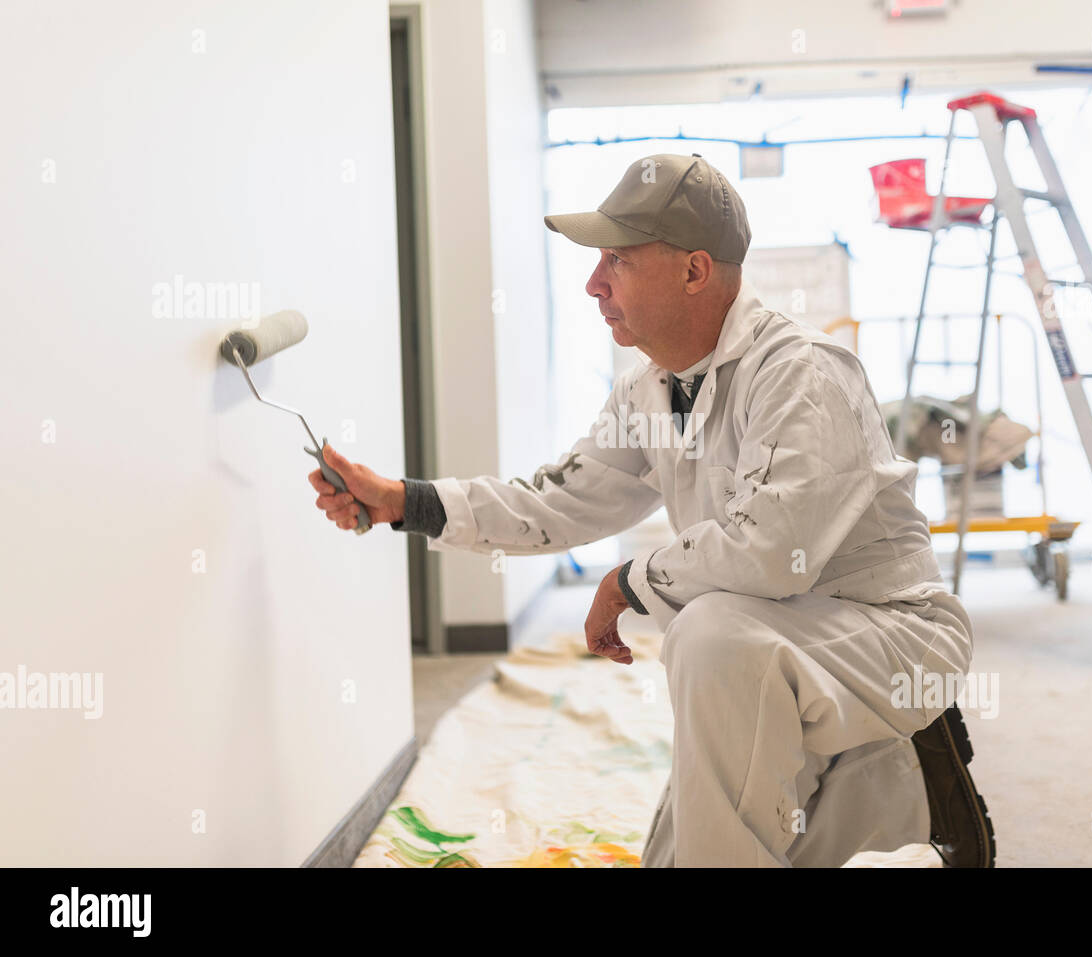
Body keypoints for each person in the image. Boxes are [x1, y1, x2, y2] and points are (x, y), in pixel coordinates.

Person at [307, 152, 995, 868]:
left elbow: (770, 551)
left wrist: (628, 581)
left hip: (889, 639)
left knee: (708, 631)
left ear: (695, 271)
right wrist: (402, 503)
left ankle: (927, 780)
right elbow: (557, 500)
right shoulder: (650, 389)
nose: (592, 284)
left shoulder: (804, 372)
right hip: (770, 653)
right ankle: (928, 845)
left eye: (616, 261)